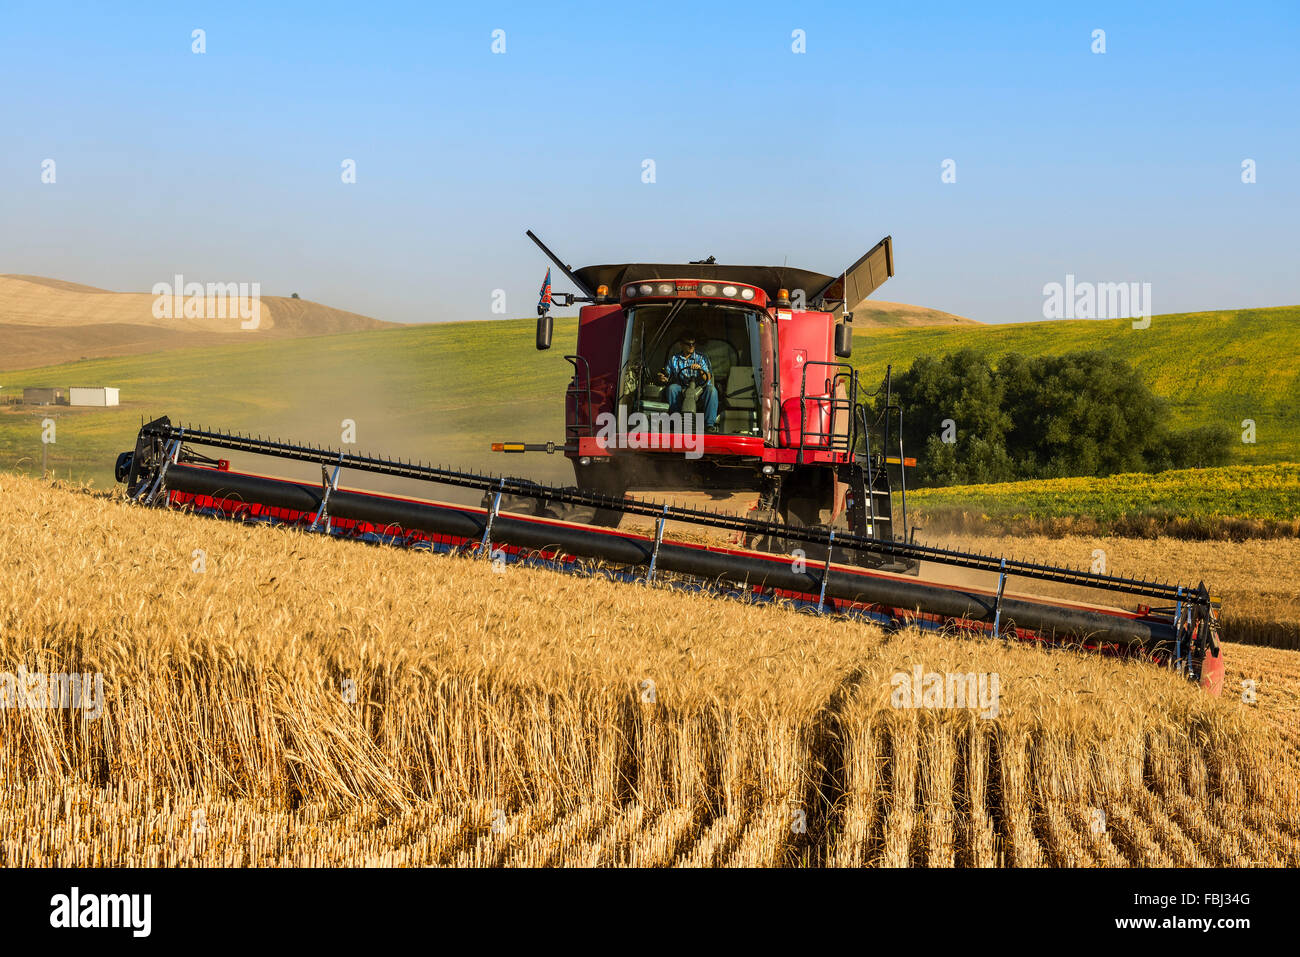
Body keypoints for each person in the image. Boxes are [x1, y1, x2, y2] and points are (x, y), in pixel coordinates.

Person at [657, 334, 719, 433]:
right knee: (672, 388)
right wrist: (662, 377)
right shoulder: (674, 359)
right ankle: (675, 421)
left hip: (700, 389)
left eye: (693, 344)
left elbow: (707, 378)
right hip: (682, 389)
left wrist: (700, 370)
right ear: (681, 345)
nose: (691, 346)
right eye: (688, 344)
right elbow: (666, 374)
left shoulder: (702, 358)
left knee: (712, 390)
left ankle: (709, 425)